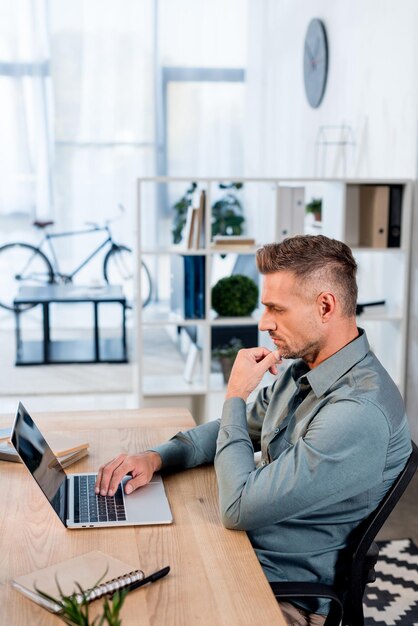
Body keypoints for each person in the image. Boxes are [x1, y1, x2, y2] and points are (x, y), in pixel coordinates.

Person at [96, 234, 411, 626]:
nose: (264, 323)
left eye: (276, 309)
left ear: (325, 306)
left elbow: (238, 507)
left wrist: (236, 393)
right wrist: (157, 456)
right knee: (117, 555)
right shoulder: (305, 368)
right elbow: (238, 429)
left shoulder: (357, 412)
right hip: (244, 552)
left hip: (279, 593)